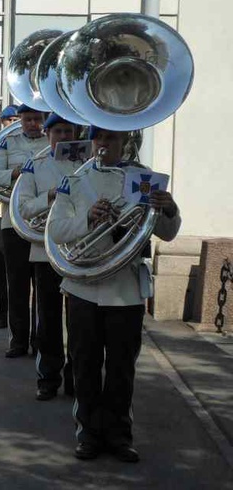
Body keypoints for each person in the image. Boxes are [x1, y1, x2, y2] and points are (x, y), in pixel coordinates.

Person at [48, 126, 180, 463]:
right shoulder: (74, 180)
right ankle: (89, 434)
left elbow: (165, 233)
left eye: (112, 138)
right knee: (85, 365)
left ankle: (120, 435)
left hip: (125, 291)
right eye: (99, 138)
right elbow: (57, 230)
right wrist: (88, 222)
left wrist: (169, 210)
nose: (104, 144)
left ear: (125, 142)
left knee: (122, 368)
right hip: (83, 287)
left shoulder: (144, 177)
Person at [15, 113, 83, 400]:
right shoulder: (35, 167)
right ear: (48, 134)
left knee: (79, 322)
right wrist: (51, 196)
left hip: (80, 251)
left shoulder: (87, 165)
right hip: (45, 253)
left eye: (69, 131)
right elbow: (24, 209)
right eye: (58, 132)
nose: (64, 137)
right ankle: (48, 378)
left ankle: (76, 378)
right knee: (49, 318)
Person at [0, 104, 47, 357]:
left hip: (44, 224)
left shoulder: (53, 143)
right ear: (20, 120)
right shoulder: (7, 143)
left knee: (42, 288)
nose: (33, 123)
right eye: (28, 119)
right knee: (17, 285)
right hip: (14, 222)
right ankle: (18, 341)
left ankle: (40, 339)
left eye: (37, 119)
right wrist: (15, 172)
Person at [0, 104, 19, 328]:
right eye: (10, 120)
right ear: (3, 122)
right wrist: (11, 175)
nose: (14, 124)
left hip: (28, 210)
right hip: (1, 210)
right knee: (2, 266)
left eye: (17, 119)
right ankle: (3, 313)